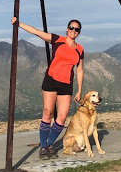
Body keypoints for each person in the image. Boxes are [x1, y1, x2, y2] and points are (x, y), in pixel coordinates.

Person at [11, 16, 84, 159]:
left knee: (62, 117)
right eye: (71, 28)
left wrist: (79, 90)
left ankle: (50, 144)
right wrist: (18, 23)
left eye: (76, 29)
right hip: (51, 81)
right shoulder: (57, 40)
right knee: (47, 112)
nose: (73, 31)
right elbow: (37, 32)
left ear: (79, 32)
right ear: (67, 29)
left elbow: (80, 70)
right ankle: (43, 147)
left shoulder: (80, 50)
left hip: (66, 85)